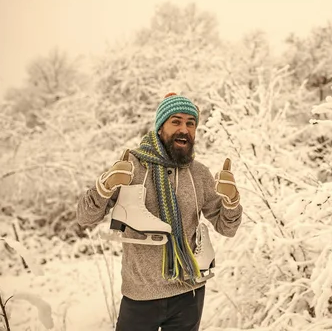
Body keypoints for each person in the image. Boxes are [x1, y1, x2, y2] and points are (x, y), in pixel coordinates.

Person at [77, 93, 243, 331]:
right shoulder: (132, 165)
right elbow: (85, 217)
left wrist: (232, 200)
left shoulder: (200, 174)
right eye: (175, 121)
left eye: (190, 123)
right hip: (140, 297)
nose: (184, 129)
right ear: (160, 126)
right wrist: (104, 186)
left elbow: (228, 228)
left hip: (189, 294)